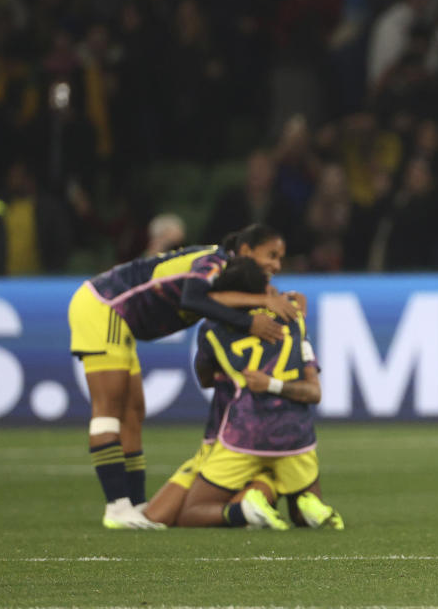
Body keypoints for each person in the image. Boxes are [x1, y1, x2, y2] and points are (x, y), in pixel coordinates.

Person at [68, 223, 299, 529]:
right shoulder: (213, 262)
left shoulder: (228, 272)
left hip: (119, 318)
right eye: (270, 255)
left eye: (280, 258)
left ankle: (136, 505)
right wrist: (250, 320)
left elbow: (217, 299)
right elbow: (193, 298)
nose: (276, 265)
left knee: (133, 412)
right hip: (103, 307)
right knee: (109, 409)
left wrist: (263, 301)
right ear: (245, 250)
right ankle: (116, 506)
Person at [171, 256, 343, 531]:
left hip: (245, 435)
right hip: (295, 438)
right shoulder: (294, 316)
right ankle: (308, 508)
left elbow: (205, 378)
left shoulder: (212, 331)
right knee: (301, 513)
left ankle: (243, 511)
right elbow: (314, 392)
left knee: (191, 513)